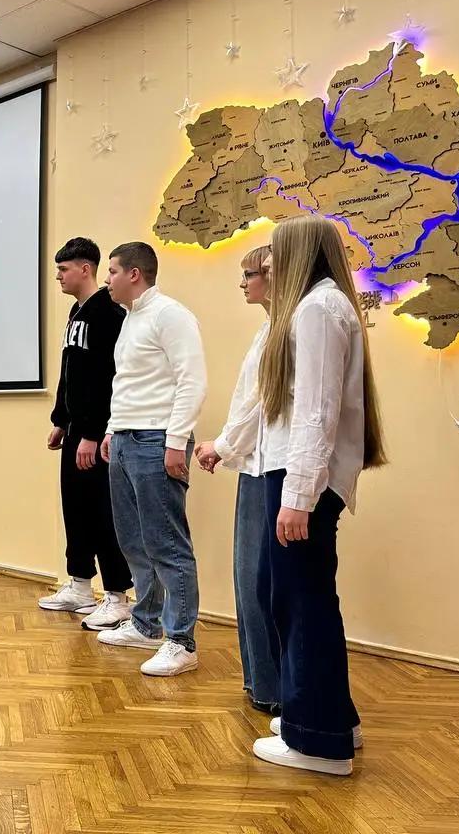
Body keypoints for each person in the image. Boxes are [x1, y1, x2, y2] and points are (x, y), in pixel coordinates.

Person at [250, 215, 385, 776]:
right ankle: (331, 720)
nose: (267, 267)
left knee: (300, 604)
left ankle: (315, 743)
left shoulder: (316, 310)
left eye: (273, 257)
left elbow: (316, 411)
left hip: (303, 478)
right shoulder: (325, 305)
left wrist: (298, 496)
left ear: (299, 254)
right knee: (306, 599)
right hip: (302, 477)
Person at [99, 241, 207, 676]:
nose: (107, 280)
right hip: (126, 439)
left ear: (134, 274)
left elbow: (192, 380)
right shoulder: (131, 318)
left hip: (158, 439)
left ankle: (181, 641)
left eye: (112, 271)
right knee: (132, 539)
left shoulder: (170, 315)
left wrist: (176, 441)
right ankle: (145, 624)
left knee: (167, 543)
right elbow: (127, 382)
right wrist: (112, 430)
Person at [194, 246, 281, 714]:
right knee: (249, 579)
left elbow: (261, 405)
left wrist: (223, 445)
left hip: (268, 467)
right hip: (255, 465)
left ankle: (274, 689)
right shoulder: (268, 330)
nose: (243, 283)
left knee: (258, 580)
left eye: (250, 274)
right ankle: (262, 683)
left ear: (273, 274)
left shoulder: (283, 330)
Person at [38, 237, 134, 630]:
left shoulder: (108, 313)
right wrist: (61, 420)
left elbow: (108, 379)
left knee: (102, 512)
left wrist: (93, 434)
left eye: (63, 270)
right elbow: (71, 373)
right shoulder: (76, 312)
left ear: (84, 269)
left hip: (97, 434)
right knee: (75, 509)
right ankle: (79, 585)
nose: (58, 276)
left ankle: (117, 596)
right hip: (76, 429)